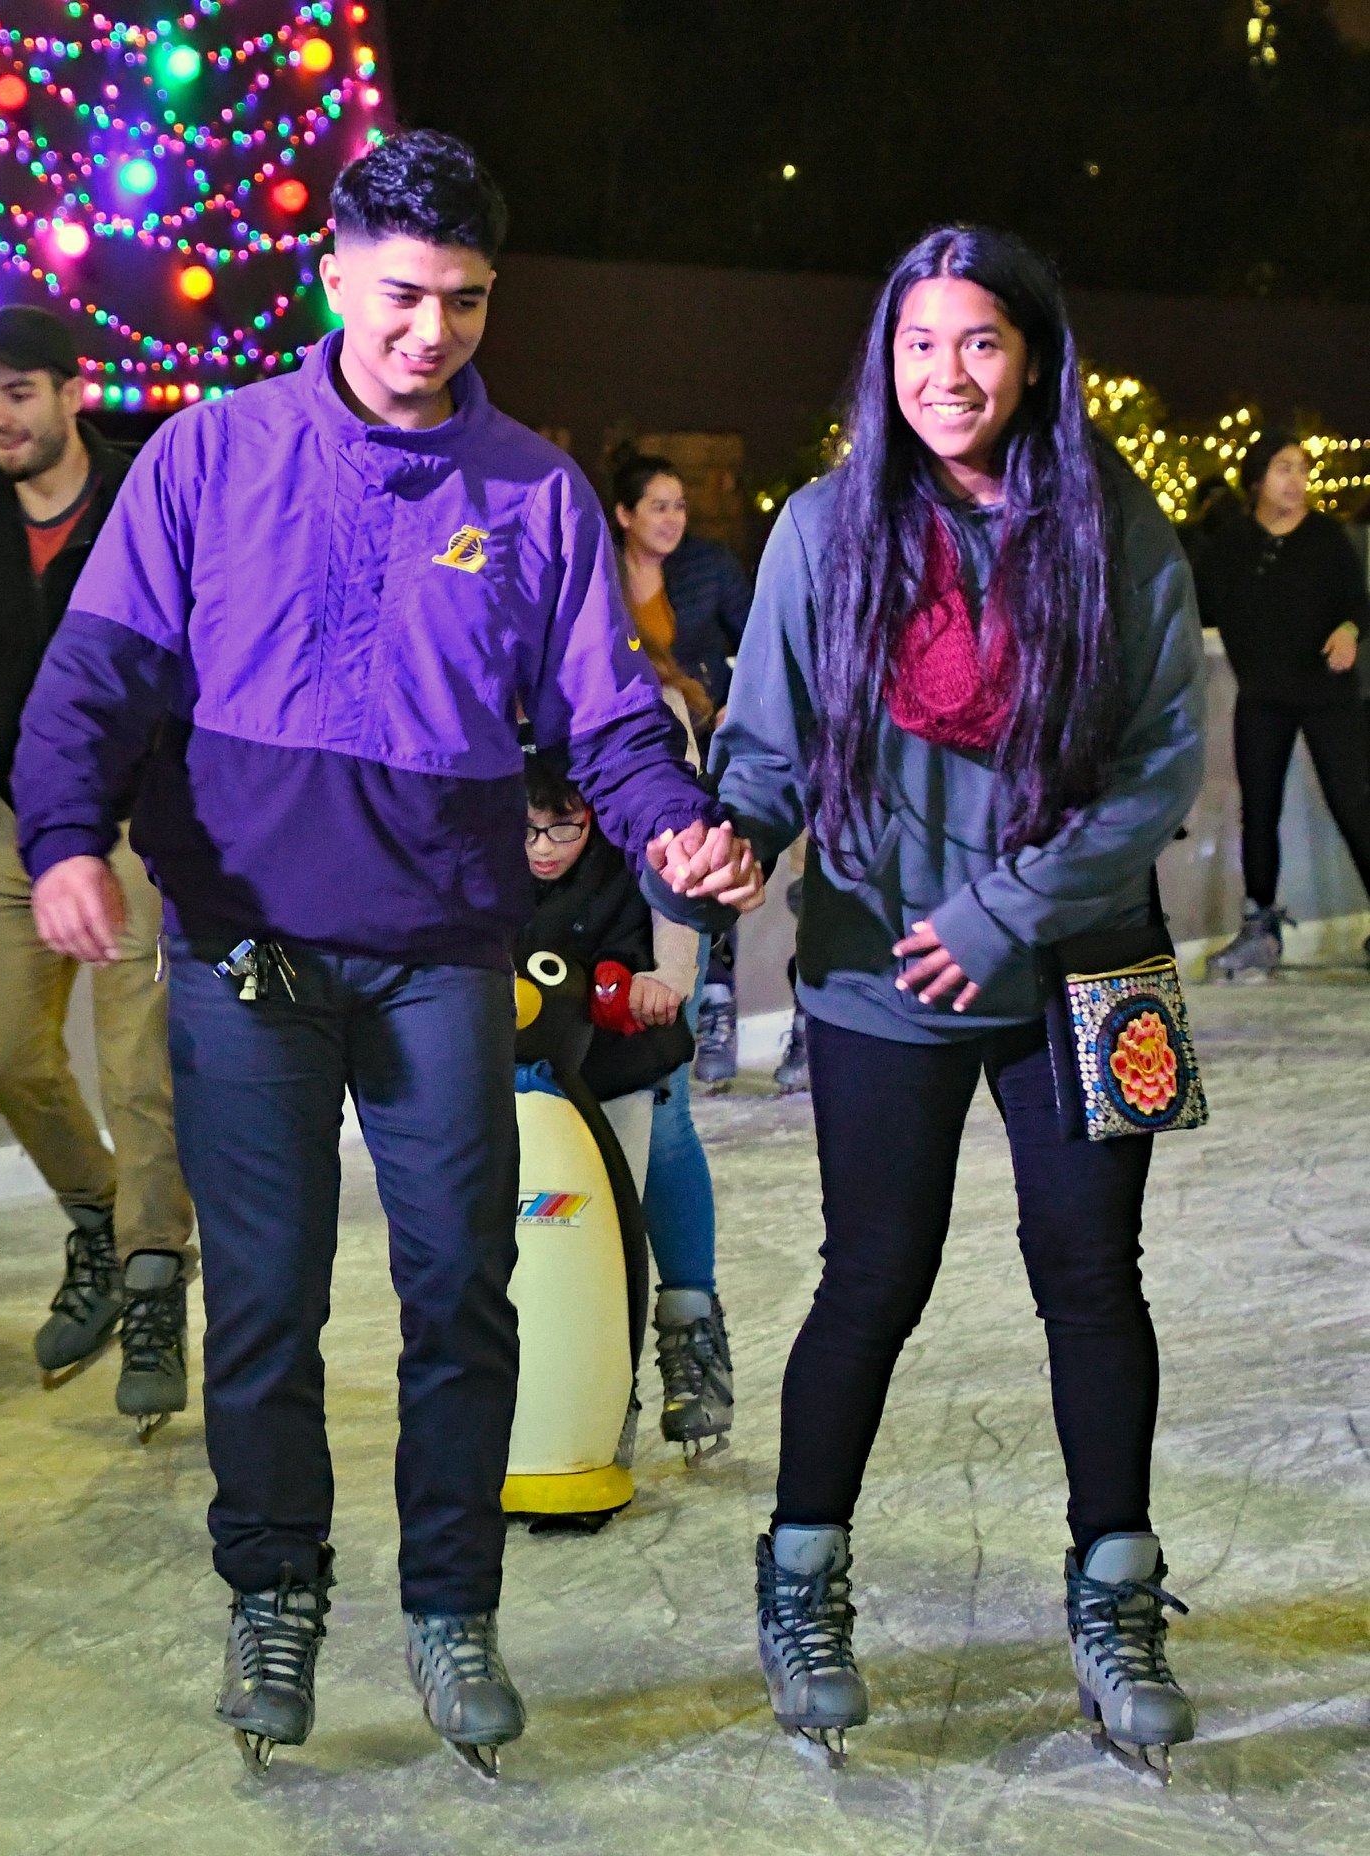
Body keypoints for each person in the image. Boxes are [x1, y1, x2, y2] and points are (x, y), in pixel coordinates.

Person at [11, 130, 762, 1778]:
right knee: (269, 1299)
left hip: (438, 955)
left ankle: (450, 1608)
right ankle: (274, 1587)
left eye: (468, 301)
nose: (432, 331)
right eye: (406, 294)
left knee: (458, 1290)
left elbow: (611, 726)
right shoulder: (210, 460)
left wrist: (674, 828)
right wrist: (63, 834)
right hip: (255, 954)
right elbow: (95, 676)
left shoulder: (537, 499)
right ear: (338, 270)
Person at [661, 225, 1206, 1771]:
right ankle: (801, 1580)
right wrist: (737, 837)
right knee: (871, 1279)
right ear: (882, 362)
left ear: (1033, 356)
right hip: (877, 965)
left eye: (977, 342)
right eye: (917, 345)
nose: (945, 375)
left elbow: (1161, 761)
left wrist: (1007, 908)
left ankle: (1115, 1592)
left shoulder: (1116, 528)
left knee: (1096, 1278)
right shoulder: (827, 531)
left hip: (1091, 957)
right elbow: (763, 749)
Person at [0, 305, 194, 1430]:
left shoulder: (142, 503)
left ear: (73, 390)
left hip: (143, 823)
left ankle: (154, 1278)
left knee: (138, 1064)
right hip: (23, 818)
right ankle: (101, 1218)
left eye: (21, 390)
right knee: (7, 1052)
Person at [520, 749, 734, 1459]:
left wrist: (664, 972)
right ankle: (555, 1372)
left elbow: (672, 838)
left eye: (562, 830)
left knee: (640, 1158)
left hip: (618, 1036)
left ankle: (683, 1330)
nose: (542, 848)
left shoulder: (620, 706)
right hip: (520, 1043)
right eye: (528, 833)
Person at [1194, 428, 1370, 978]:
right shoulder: (1230, 545)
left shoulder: (1326, 538)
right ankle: (1260, 930)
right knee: (1259, 813)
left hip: (1327, 694)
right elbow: (1193, 602)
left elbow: (1358, 602)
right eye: (1284, 468)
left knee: (1355, 804)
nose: (1297, 480)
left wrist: (1348, 629)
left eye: (1302, 469)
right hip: (1263, 698)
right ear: (1257, 479)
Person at [613, 449, 753, 1089]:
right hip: (648, 740)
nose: (673, 518)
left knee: (724, 859)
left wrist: (735, 706)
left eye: (680, 506)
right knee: (680, 857)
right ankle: (712, 996)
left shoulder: (708, 568)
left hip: (714, 728)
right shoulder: (602, 574)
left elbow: (756, 641)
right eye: (658, 506)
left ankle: (726, 1004)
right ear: (624, 513)